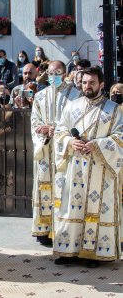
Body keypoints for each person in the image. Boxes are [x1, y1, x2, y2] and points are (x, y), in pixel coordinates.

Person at [53, 67, 122, 268]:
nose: (87, 86)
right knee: (71, 207)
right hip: (75, 168)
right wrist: (69, 142)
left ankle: (93, 254)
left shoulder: (113, 110)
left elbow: (120, 137)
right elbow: (60, 130)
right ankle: (68, 251)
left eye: (91, 83)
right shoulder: (71, 106)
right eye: (84, 82)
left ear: (101, 84)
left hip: (100, 168)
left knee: (95, 208)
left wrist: (98, 144)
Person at [30, 60, 80, 246]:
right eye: (51, 73)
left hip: (63, 151)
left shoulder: (75, 96)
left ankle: (62, 230)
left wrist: (56, 130)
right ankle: (43, 231)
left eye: (58, 72)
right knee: (44, 187)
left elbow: (76, 122)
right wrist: (42, 130)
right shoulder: (40, 96)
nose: (54, 77)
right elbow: (34, 120)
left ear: (65, 73)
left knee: (63, 188)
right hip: (45, 148)